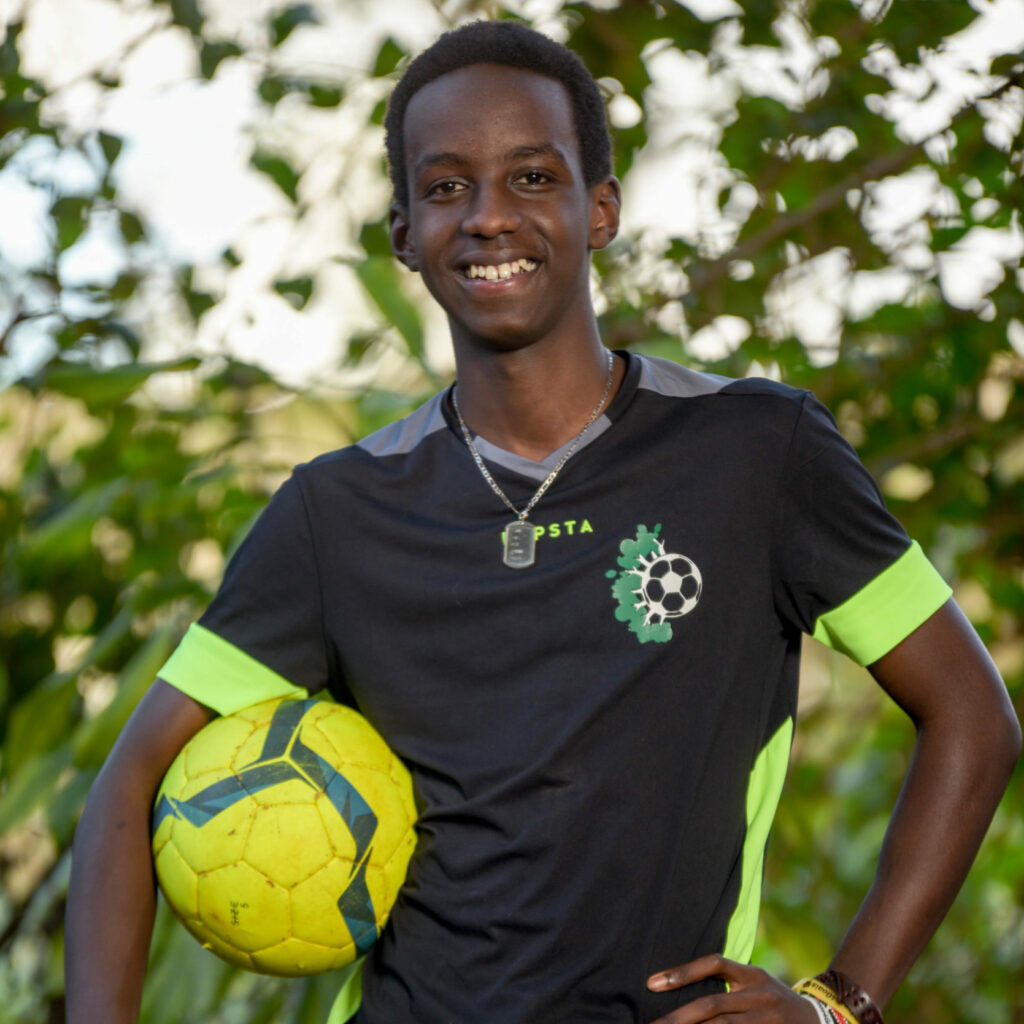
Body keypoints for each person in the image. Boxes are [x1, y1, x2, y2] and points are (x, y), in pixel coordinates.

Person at [65, 20, 1020, 1024]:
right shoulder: (336, 513)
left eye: (531, 178)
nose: (486, 218)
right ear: (403, 233)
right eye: (444, 187)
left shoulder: (754, 453)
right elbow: (131, 782)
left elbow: (971, 711)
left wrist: (840, 1004)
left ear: (597, 208)